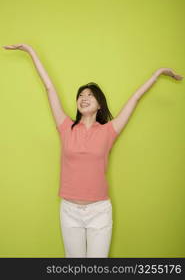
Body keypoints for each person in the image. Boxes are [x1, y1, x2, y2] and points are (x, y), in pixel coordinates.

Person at [2, 43, 183, 258]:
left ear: (99, 104)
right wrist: (30, 50)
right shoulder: (65, 127)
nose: (84, 98)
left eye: (90, 95)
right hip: (69, 210)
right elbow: (49, 87)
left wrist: (157, 74)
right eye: (80, 95)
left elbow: (135, 99)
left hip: (99, 212)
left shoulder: (109, 131)